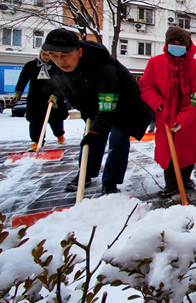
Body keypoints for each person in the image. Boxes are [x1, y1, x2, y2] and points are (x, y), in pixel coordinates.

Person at [42, 28, 153, 195]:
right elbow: (69, 93)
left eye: (64, 56)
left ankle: (110, 181)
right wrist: (87, 115)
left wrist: (95, 129)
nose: (60, 61)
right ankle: (85, 174)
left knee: (117, 141)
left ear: (78, 52)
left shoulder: (103, 66)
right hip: (97, 105)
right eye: (54, 55)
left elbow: (109, 102)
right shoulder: (55, 67)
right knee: (92, 141)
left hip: (124, 106)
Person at [139, 27, 196, 197]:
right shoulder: (155, 63)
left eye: (180, 44)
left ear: (188, 45)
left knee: (188, 150)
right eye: (172, 43)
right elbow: (146, 86)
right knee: (168, 151)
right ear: (166, 44)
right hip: (166, 114)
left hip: (192, 117)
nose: (176, 47)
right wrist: (159, 104)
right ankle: (171, 184)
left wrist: (184, 118)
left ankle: (185, 179)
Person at [13, 49, 69, 150]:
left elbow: (63, 82)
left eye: (49, 55)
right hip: (36, 100)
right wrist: (18, 92)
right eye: (44, 54)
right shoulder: (31, 66)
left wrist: (55, 95)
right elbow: (23, 79)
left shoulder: (58, 66)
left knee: (55, 121)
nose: (46, 57)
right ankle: (36, 142)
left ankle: (59, 136)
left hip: (53, 99)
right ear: (40, 53)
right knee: (35, 122)